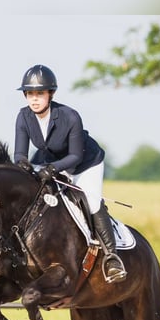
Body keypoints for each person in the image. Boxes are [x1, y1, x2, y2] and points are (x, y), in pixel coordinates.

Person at [13, 64, 126, 283]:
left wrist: (52, 169)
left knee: (92, 203)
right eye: (29, 94)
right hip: (49, 162)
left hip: (84, 163)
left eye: (39, 93)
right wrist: (24, 166)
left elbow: (74, 156)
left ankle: (112, 257)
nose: (34, 99)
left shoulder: (69, 116)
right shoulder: (23, 117)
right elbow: (19, 154)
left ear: (51, 94)